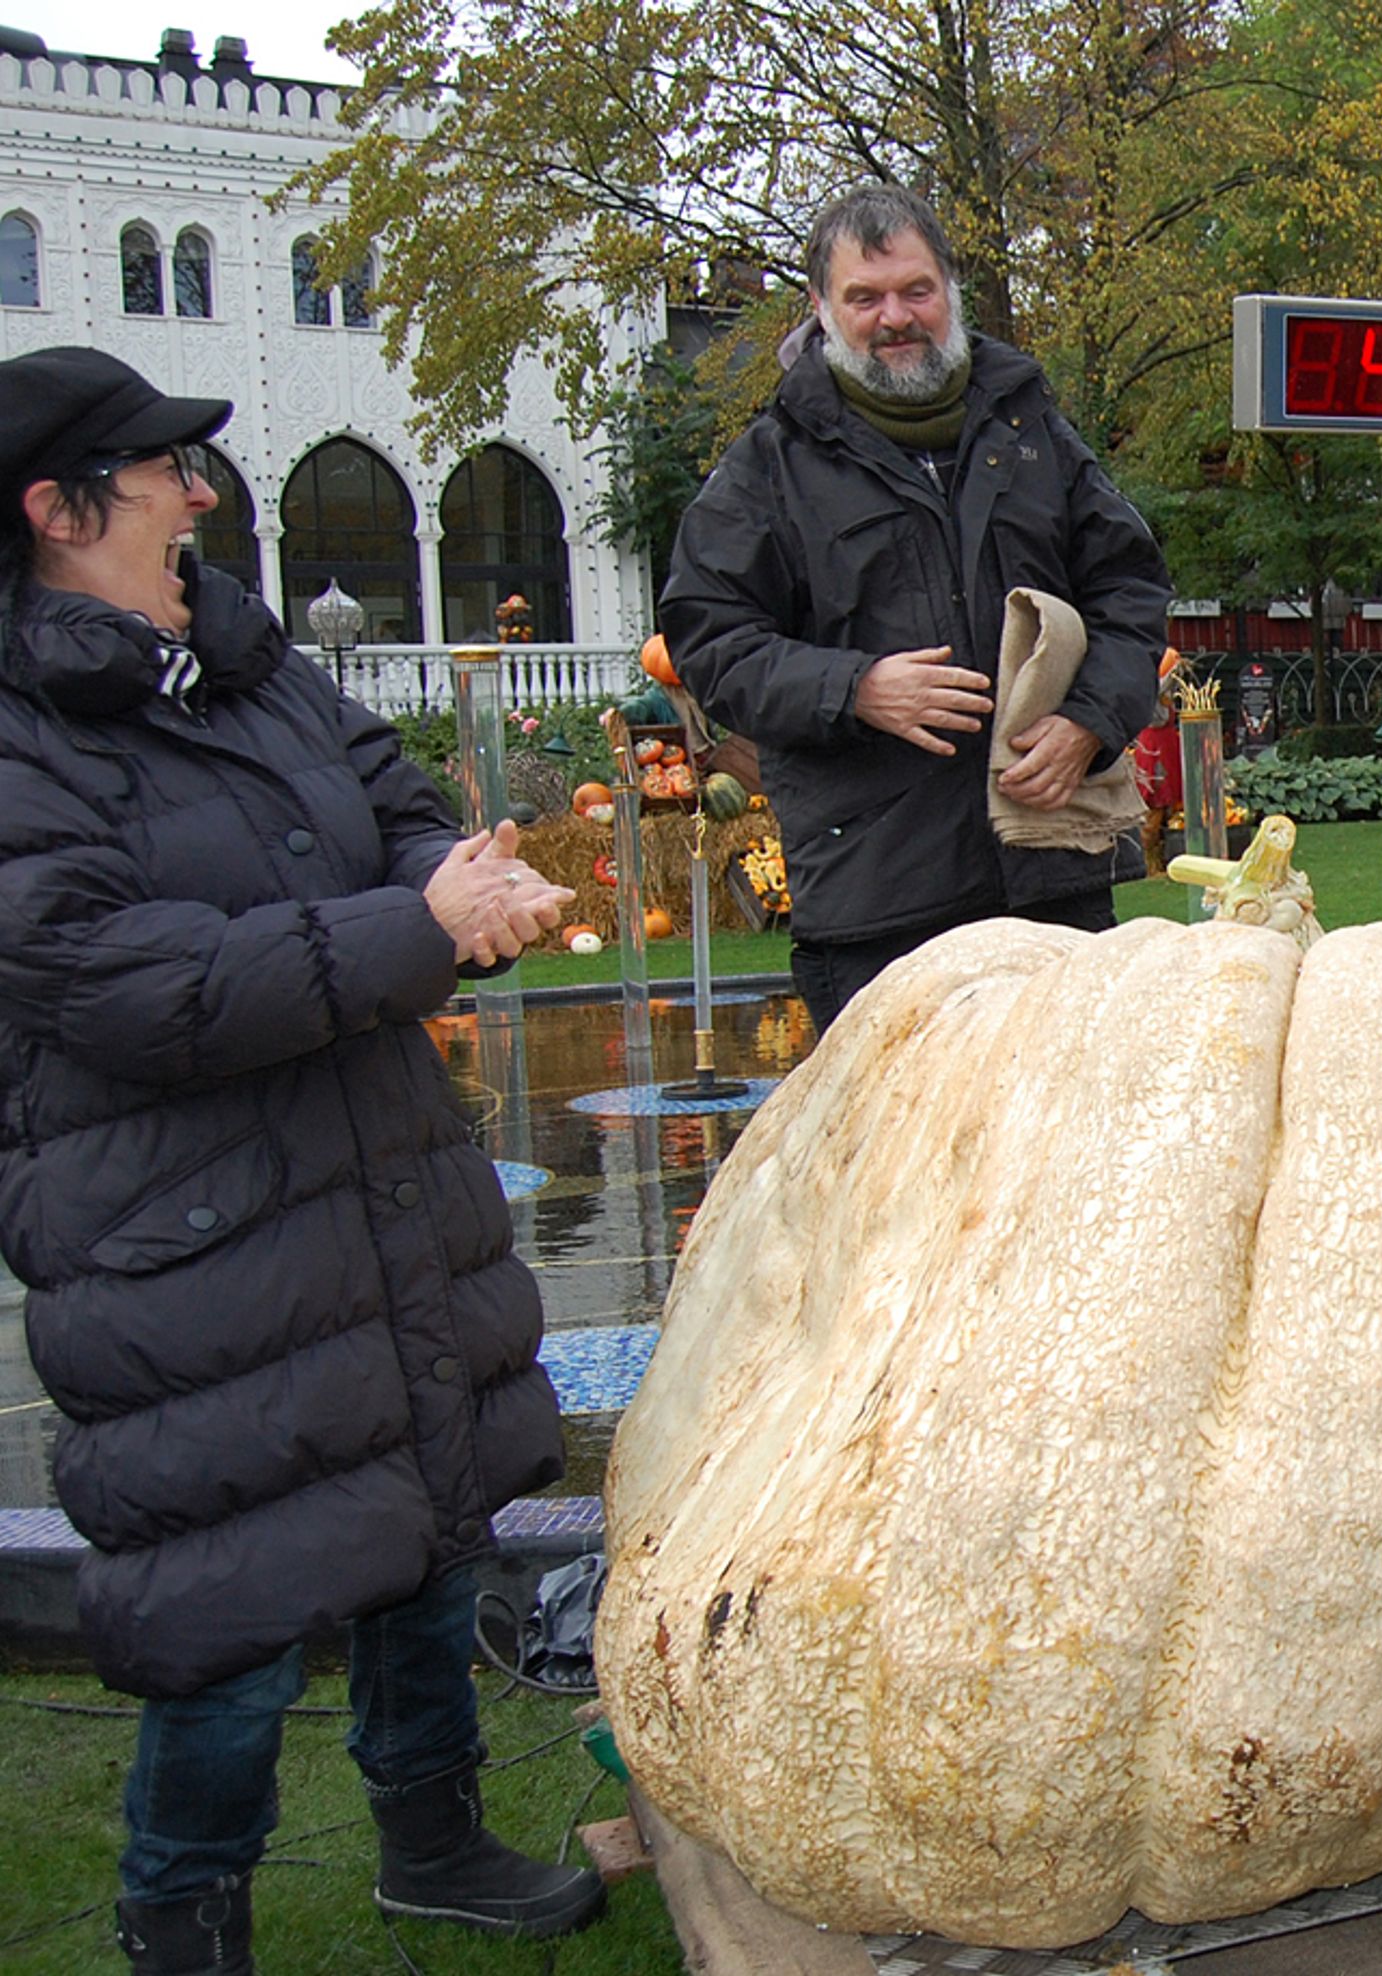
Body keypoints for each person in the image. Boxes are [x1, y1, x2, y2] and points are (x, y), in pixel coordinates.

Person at [0, 348, 601, 1972]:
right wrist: (415, 927)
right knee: (231, 1611)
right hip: (189, 1239)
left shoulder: (243, 660)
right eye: (163, 473)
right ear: (59, 511)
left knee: (427, 1530)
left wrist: (459, 882)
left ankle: (434, 1839)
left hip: (373, 1184)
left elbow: (387, 799)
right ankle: (184, 1915)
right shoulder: (20, 733)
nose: (201, 497)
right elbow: (127, 982)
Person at [660, 183, 1170, 1031]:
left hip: (1053, 883)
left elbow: (1132, 588)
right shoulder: (768, 467)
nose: (895, 318)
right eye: (865, 298)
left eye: (915, 290)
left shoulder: (1034, 430)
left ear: (949, 291)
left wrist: (1090, 720)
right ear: (822, 307)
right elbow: (710, 640)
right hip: (876, 907)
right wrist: (855, 688)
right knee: (896, 1125)